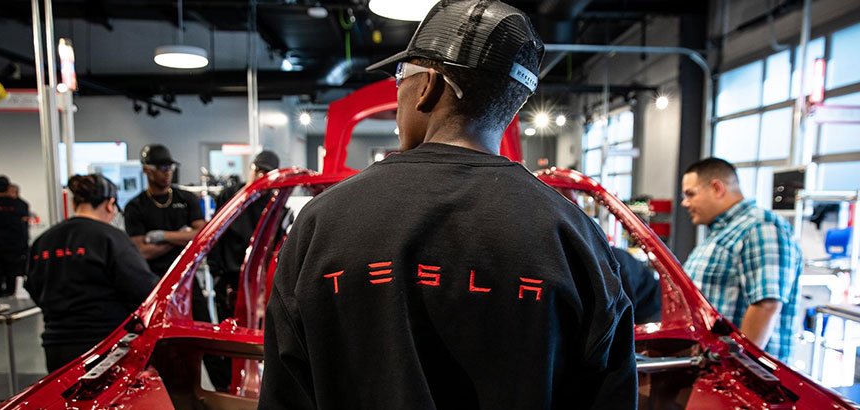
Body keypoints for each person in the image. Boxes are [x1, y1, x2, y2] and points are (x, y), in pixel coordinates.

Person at [258, 1, 637, 408]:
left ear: (428, 87)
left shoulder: (321, 224)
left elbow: (286, 395)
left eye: (400, 76)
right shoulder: (575, 238)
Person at [26, 174, 158, 372]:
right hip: (104, 346)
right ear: (110, 204)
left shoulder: (44, 241)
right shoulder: (111, 238)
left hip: (56, 346)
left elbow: (34, 287)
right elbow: (143, 289)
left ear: (74, 202)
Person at [681, 157, 801, 361]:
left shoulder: (760, 228)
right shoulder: (726, 231)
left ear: (717, 188)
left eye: (690, 194)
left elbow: (766, 305)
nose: (685, 203)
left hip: (740, 373)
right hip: (710, 364)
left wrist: (738, 365)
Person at [209, 150, 280, 320]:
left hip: (258, 281)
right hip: (229, 277)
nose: (260, 177)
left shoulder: (274, 204)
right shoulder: (230, 196)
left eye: (266, 173)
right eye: (258, 171)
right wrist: (217, 273)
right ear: (251, 169)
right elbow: (215, 234)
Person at [124, 144, 206, 277]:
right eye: (162, 168)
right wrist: (182, 237)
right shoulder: (135, 206)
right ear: (147, 170)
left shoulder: (186, 198)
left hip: (185, 274)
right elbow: (142, 251)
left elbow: (202, 235)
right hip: (152, 277)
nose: (168, 172)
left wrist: (163, 236)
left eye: (170, 167)